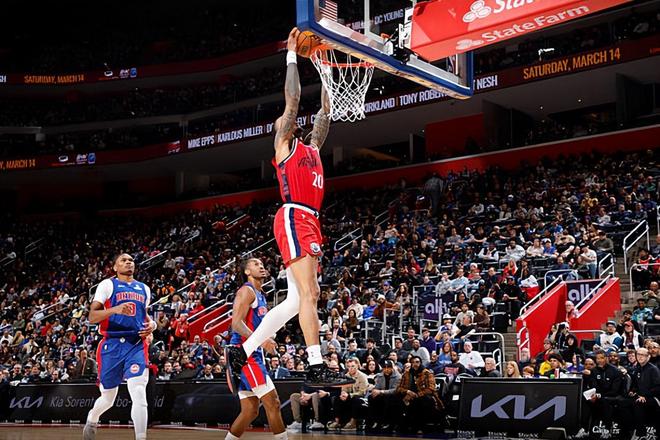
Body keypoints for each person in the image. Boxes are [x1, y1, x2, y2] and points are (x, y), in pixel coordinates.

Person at [225, 28, 350, 388]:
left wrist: (325, 66)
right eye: (283, 121)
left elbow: (326, 111)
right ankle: (315, 365)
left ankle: (242, 351)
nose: (286, 120)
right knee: (309, 294)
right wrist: (293, 55)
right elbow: (292, 100)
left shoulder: (313, 147)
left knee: (299, 300)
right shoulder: (285, 145)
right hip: (294, 215)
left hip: (309, 220)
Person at [83, 254, 156, 440]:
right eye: (123, 260)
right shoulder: (107, 285)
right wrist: (115, 309)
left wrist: (152, 325)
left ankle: (141, 437)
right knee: (108, 398)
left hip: (136, 344)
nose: (128, 262)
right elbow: (92, 316)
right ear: (115, 267)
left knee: (138, 391)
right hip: (112, 345)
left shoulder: (144, 289)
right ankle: (92, 418)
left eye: (131, 260)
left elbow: (144, 316)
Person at [225, 258, 287, 440]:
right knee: (273, 403)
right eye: (255, 264)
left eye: (262, 264)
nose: (261, 266)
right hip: (245, 355)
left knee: (250, 410)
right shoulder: (246, 291)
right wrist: (262, 341)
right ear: (246, 271)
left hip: (253, 353)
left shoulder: (261, 294)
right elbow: (236, 324)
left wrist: (269, 337)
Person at [626, 348, 660, 438]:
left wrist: (645, 396)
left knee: (638, 404)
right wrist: (633, 391)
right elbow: (635, 385)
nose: (640, 356)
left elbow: (658, 387)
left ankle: (641, 434)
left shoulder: (653, 369)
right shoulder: (638, 368)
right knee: (624, 402)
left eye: (643, 355)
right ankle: (628, 432)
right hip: (641, 396)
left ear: (648, 357)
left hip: (654, 397)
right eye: (638, 354)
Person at [367, 359, 401, 431]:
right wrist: (374, 391)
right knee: (371, 398)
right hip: (382, 395)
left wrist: (381, 391)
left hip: (394, 396)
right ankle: (375, 421)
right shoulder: (380, 376)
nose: (386, 369)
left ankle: (388, 422)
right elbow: (377, 387)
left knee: (389, 398)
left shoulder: (398, 376)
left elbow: (395, 390)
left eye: (388, 367)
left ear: (392, 368)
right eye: (384, 368)